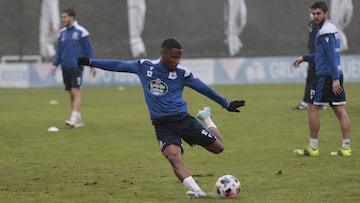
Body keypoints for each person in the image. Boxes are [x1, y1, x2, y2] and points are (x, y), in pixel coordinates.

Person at [77, 38, 246, 198]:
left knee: (218, 148)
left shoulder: (182, 74)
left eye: (179, 57)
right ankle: (197, 191)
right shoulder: (145, 67)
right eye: (173, 57)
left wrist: (226, 104)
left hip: (184, 121)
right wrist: (91, 62)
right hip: (163, 126)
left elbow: (204, 89)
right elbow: (119, 64)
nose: (177, 61)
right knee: (173, 156)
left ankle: (206, 117)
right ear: (163, 53)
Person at [292, 1, 351, 157]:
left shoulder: (325, 31)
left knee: (312, 108)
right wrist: (304, 57)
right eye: (313, 14)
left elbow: (331, 56)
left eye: (318, 13)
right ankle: (346, 148)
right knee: (339, 109)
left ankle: (313, 147)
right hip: (334, 74)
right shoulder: (332, 30)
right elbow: (323, 56)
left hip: (325, 77)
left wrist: (334, 79)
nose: (315, 17)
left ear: (326, 14)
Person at [51, 8, 96, 128]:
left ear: (72, 17)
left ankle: (73, 118)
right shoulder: (62, 33)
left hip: (77, 66)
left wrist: (93, 65)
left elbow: (89, 49)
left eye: (65, 17)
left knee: (76, 91)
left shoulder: (82, 32)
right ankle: (78, 119)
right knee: (71, 93)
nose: (63, 19)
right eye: (62, 17)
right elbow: (59, 51)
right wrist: (55, 64)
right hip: (65, 67)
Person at [292, 9, 322, 110]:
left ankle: (306, 102)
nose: (313, 15)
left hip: (316, 56)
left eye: (316, 13)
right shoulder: (312, 25)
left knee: (312, 79)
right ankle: (320, 102)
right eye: (312, 13)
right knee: (315, 79)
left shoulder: (321, 26)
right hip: (313, 55)